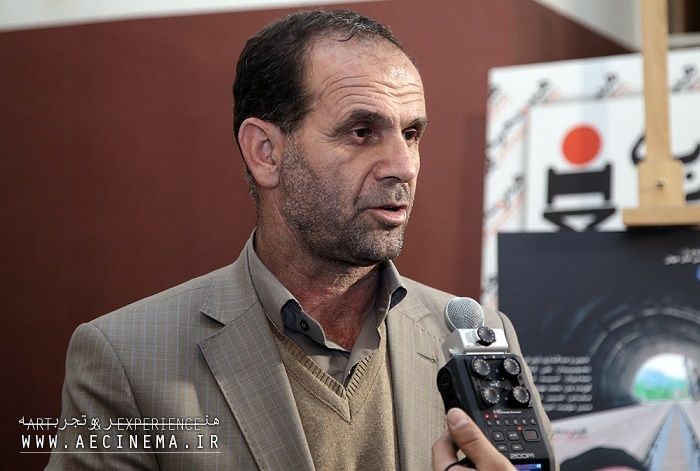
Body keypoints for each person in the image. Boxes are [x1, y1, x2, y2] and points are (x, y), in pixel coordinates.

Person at [47, 9, 550, 470]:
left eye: (412, 133)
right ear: (265, 152)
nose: (403, 166)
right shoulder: (128, 357)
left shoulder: (478, 338)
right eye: (361, 131)